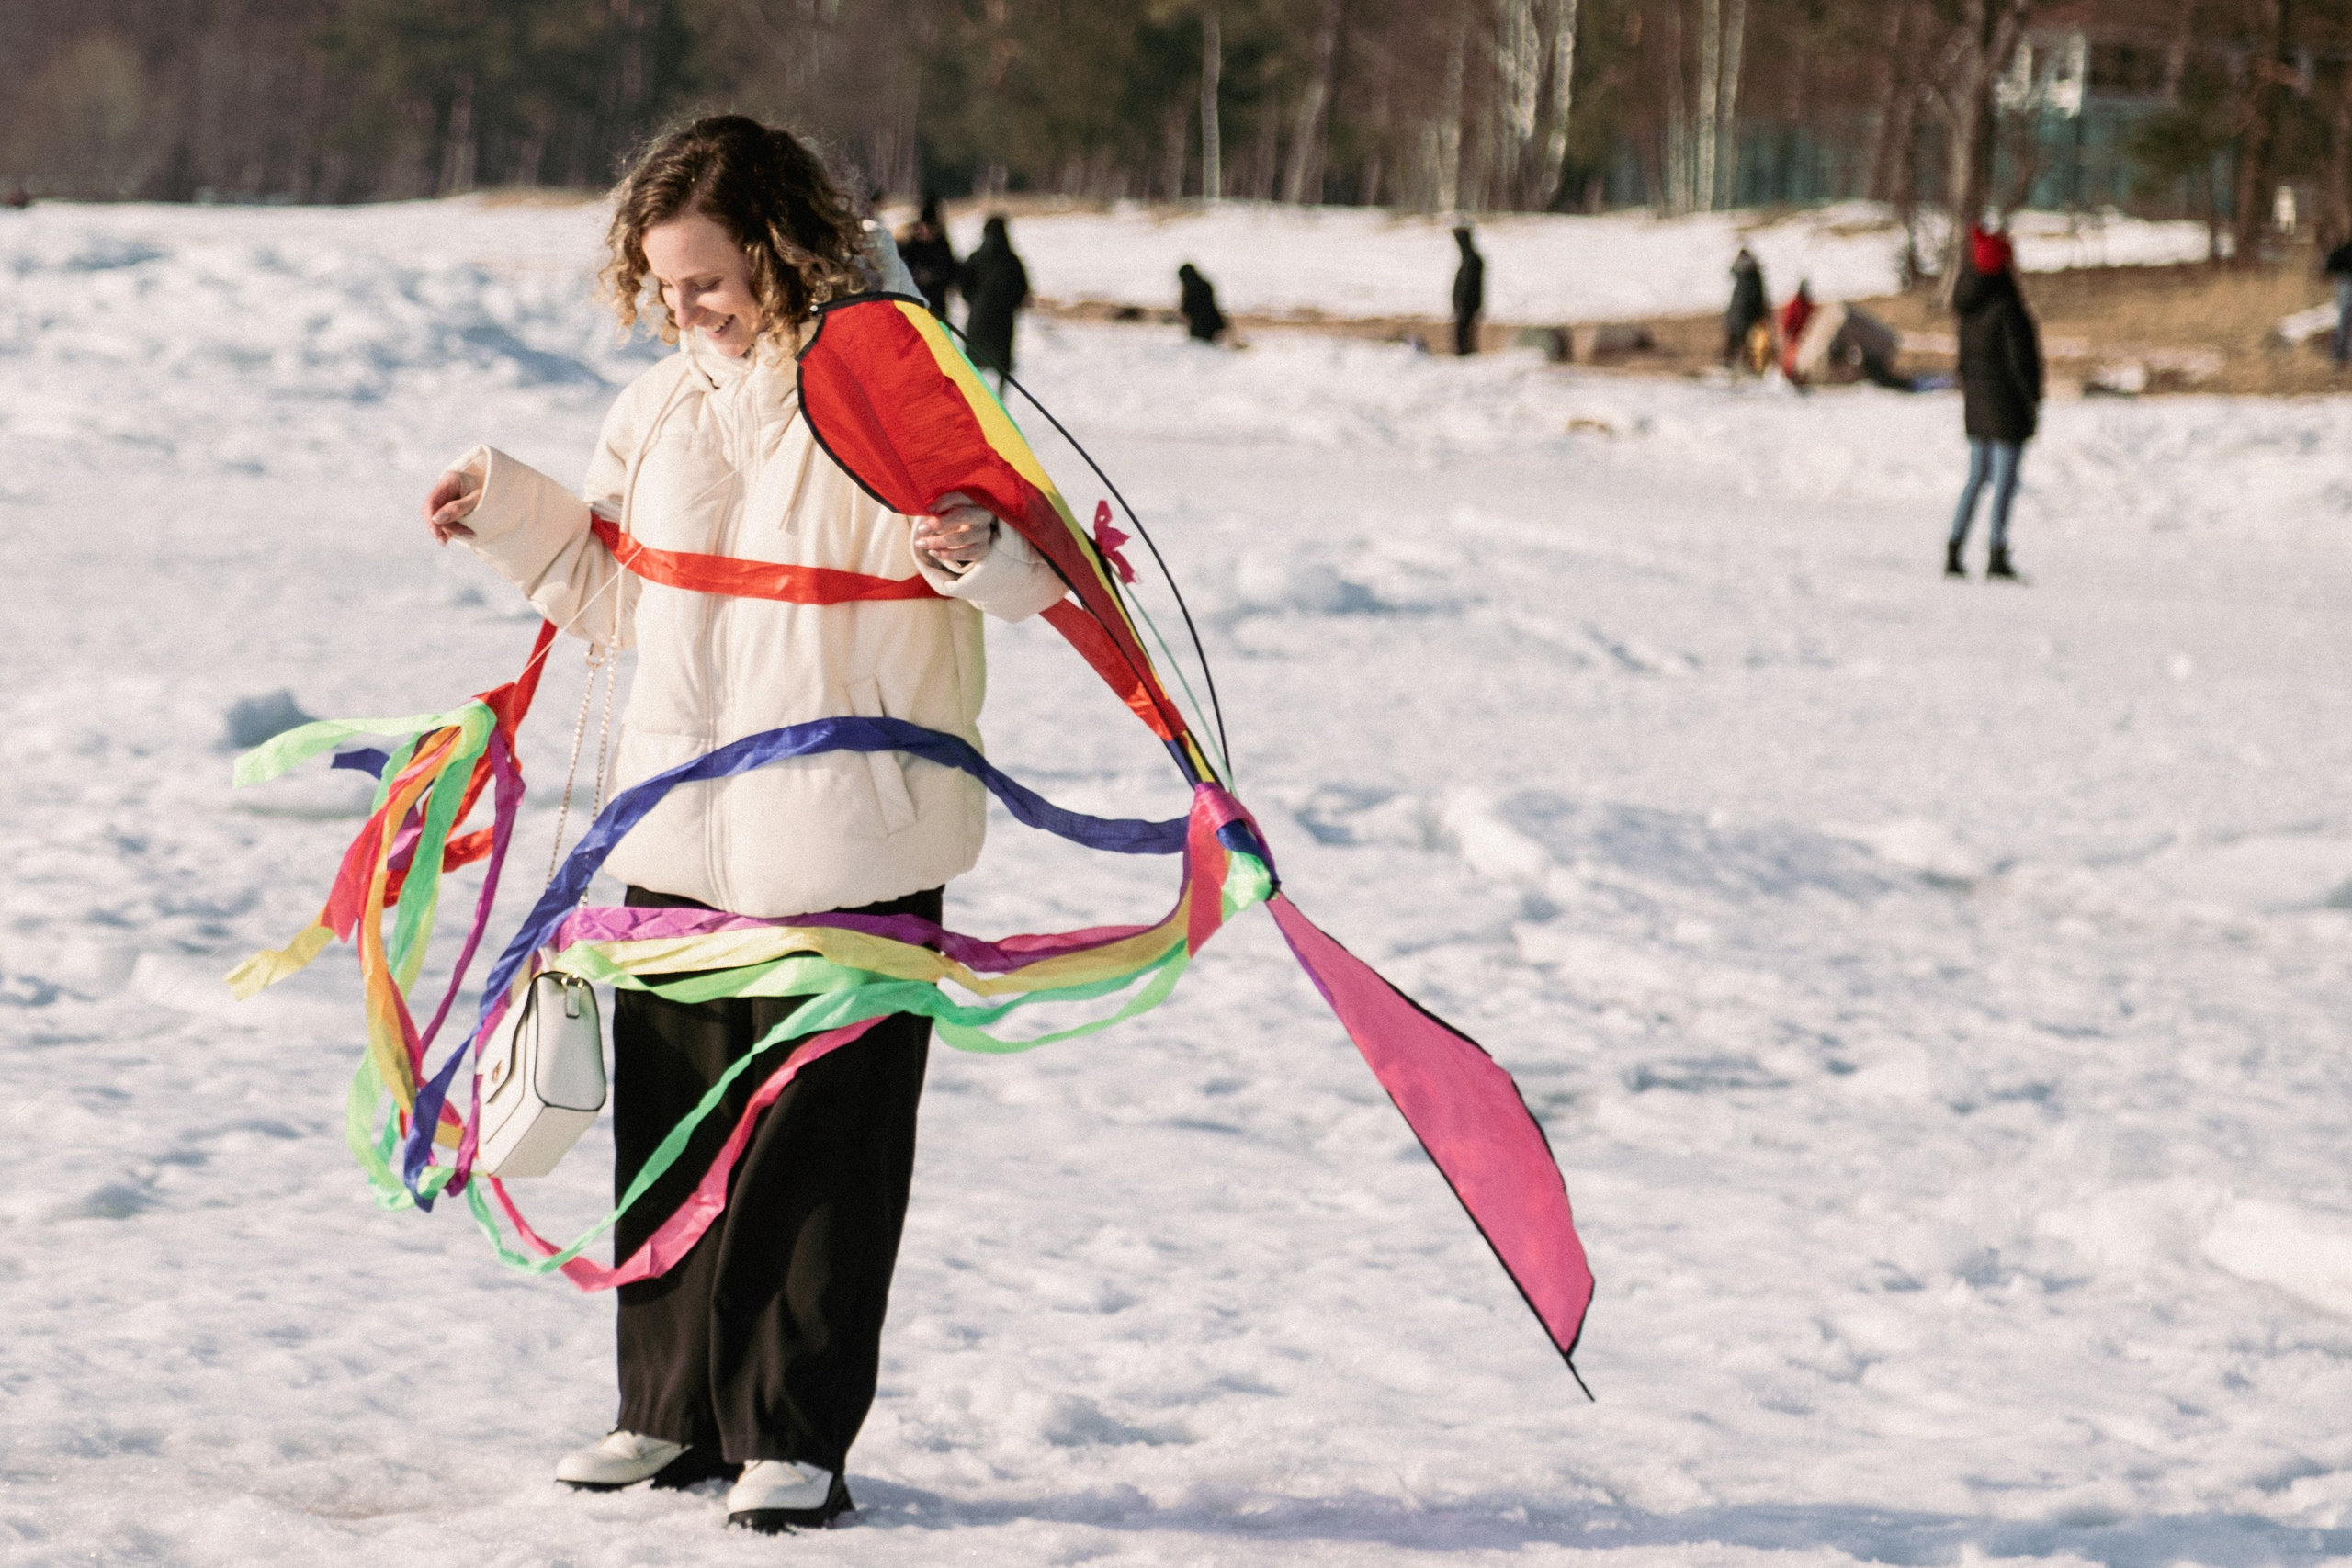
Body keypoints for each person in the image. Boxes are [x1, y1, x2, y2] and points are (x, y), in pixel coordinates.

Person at [417, 116, 1066, 1534]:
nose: (678, 308)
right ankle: (667, 1411)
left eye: (704, 280)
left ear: (780, 248)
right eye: (660, 283)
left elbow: (1033, 572)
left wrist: (979, 548)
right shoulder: (654, 412)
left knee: (821, 1149)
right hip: (679, 835)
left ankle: (793, 1431)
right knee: (672, 1128)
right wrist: (515, 520)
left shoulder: (899, 388)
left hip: (856, 837)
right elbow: (620, 601)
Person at [1947, 224, 2042, 581]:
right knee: (2004, 482)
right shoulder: (2007, 308)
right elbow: (2023, 363)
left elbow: (1962, 363)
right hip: (2006, 407)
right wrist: (2032, 399)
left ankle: (1954, 548)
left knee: (1975, 478)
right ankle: (1996, 551)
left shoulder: (1968, 306)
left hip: (1976, 406)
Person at [958, 214, 1029, 389]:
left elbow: (964, 286)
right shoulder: (1012, 260)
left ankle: (975, 398)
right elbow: (1022, 290)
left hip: (978, 318)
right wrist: (1009, 306)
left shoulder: (975, 258)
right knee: (1002, 366)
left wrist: (975, 303)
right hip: (1003, 321)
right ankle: (1000, 399)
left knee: (974, 363)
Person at [897, 191, 957, 320]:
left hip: (937, 307)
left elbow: (951, 272)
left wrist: (933, 276)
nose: (927, 232)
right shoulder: (910, 246)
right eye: (925, 227)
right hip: (914, 305)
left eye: (931, 228)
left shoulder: (941, 246)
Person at [1725, 247, 1770, 368]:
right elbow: (1758, 297)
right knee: (1747, 342)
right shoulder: (1753, 274)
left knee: (1738, 340)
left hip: (1739, 314)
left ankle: (1735, 362)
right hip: (1748, 314)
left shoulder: (1743, 275)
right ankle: (1743, 364)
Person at [1451, 226, 1485, 356]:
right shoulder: (1468, 260)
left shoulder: (1473, 260)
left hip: (1468, 305)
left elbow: (1471, 286)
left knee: (1466, 335)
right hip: (1463, 305)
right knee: (1461, 334)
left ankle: (1465, 355)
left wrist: (1466, 304)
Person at [1176, 261, 1227, 343]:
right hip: (1212, 322)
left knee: (1200, 348)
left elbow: (1187, 309)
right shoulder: (1206, 285)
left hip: (1198, 327)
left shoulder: (1190, 290)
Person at [2325, 231, 2352, 367]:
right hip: (2346, 283)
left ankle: (2341, 357)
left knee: (2344, 321)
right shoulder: (2345, 250)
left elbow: (2330, 267)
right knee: (2345, 321)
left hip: (2345, 283)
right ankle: (2341, 357)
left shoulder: (2344, 249)